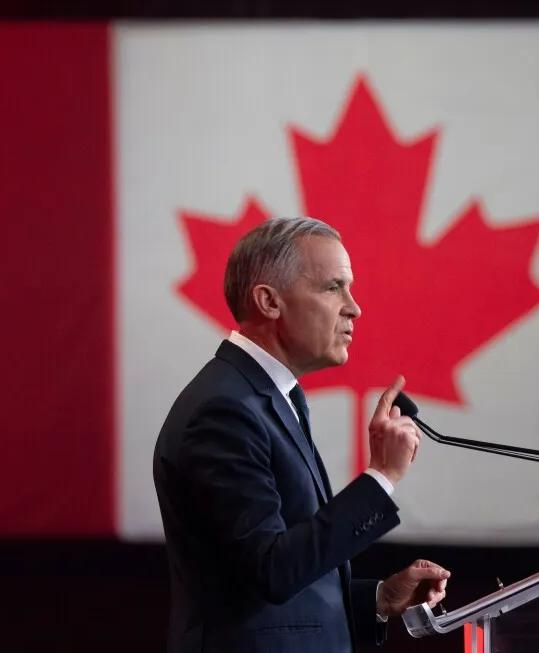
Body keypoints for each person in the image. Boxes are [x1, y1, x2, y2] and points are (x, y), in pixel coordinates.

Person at [153, 216, 450, 653]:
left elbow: (277, 582)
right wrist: (382, 475)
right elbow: (272, 570)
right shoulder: (224, 411)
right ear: (269, 302)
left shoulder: (269, 397)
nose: (354, 308)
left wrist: (379, 599)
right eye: (333, 287)